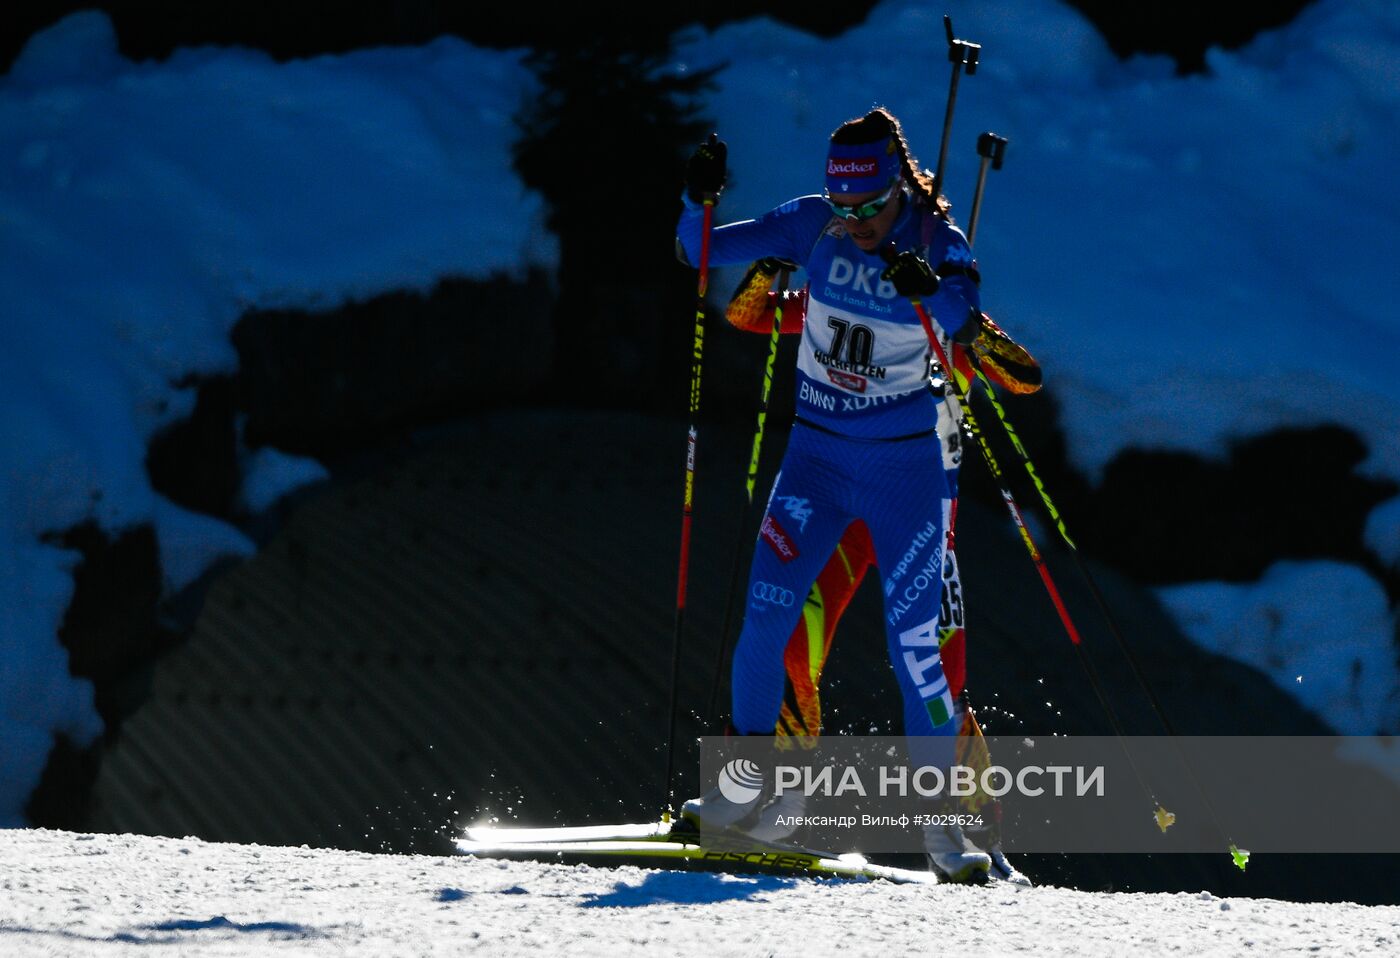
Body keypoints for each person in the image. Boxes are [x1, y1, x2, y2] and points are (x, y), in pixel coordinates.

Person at [673, 107, 993, 881]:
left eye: (867, 208)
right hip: (814, 460)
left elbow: (965, 321)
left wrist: (931, 289)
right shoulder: (811, 224)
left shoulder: (937, 241)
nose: (852, 223)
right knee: (767, 613)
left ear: (897, 188)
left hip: (901, 472)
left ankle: (946, 830)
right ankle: (743, 797)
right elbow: (698, 251)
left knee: (914, 647)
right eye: (841, 207)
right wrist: (698, 198)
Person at [721, 258, 1038, 886]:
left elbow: (1025, 378)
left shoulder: (945, 318)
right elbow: (749, 315)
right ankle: (784, 804)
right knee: (789, 644)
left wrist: (963, 324)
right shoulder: (848, 301)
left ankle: (970, 831)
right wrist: (768, 262)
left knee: (939, 674)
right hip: (841, 514)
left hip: (921, 518)